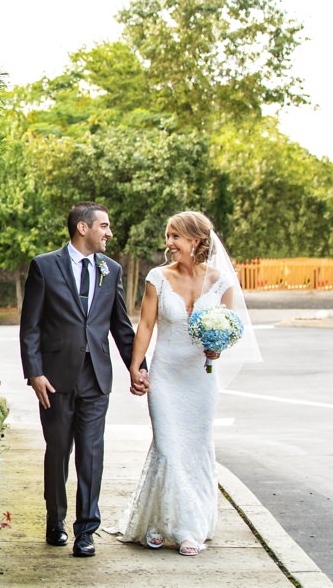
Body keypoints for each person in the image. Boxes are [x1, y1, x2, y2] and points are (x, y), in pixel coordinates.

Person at [115, 211, 258, 556]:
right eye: (168, 236)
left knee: (194, 449)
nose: (169, 244)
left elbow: (229, 329)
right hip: (165, 376)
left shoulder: (221, 281)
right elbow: (146, 326)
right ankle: (159, 523)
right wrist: (136, 367)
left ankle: (189, 527)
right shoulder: (156, 277)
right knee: (167, 447)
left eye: (175, 237)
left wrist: (217, 350)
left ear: (195, 241)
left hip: (201, 379)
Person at [20, 201, 149, 558]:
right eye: (104, 226)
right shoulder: (44, 267)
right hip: (55, 380)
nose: (109, 233)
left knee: (92, 455)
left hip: (96, 378)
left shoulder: (112, 270)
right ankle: (55, 521)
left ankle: (86, 531)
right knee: (59, 452)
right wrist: (34, 373)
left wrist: (137, 367)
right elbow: (30, 327)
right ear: (83, 228)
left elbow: (122, 327)